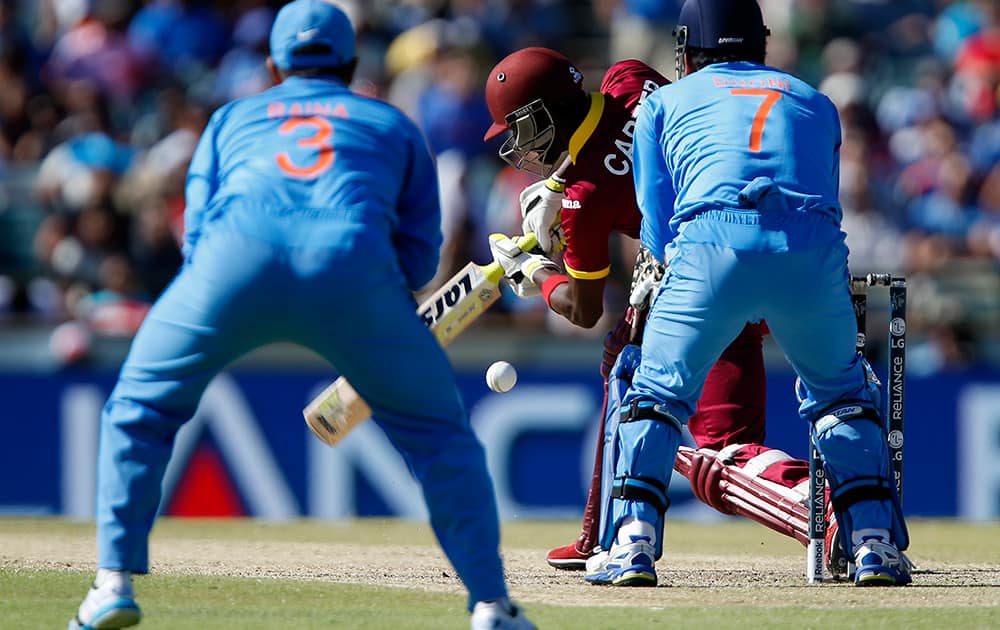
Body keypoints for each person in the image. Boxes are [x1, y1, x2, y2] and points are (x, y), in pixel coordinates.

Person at [67, 3, 535, 629]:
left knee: (139, 411)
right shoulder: (390, 123)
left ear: (272, 65)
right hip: (351, 267)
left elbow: (196, 235)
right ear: (350, 64)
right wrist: (367, 305)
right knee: (440, 439)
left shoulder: (232, 117)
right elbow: (421, 259)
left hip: (230, 264)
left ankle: (112, 583)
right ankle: (490, 606)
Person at [481, 45, 844, 579]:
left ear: (548, 112)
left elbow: (582, 309)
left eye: (523, 127)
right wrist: (560, 182)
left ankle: (826, 508)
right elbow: (640, 129)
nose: (520, 145)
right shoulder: (629, 79)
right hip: (765, 243)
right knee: (628, 366)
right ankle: (601, 534)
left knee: (700, 432)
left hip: (696, 283)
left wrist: (533, 272)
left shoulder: (585, 198)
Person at [588, 0, 910, 587]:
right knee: (841, 397)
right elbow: (827, 197)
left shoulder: (662, 102)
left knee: (654, 397)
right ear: (760, 42)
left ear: (686, 48)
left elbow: (658, 230)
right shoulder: (816, 100)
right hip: (811, 253)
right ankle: (874, 545)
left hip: (711, 248)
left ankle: (632, 545)